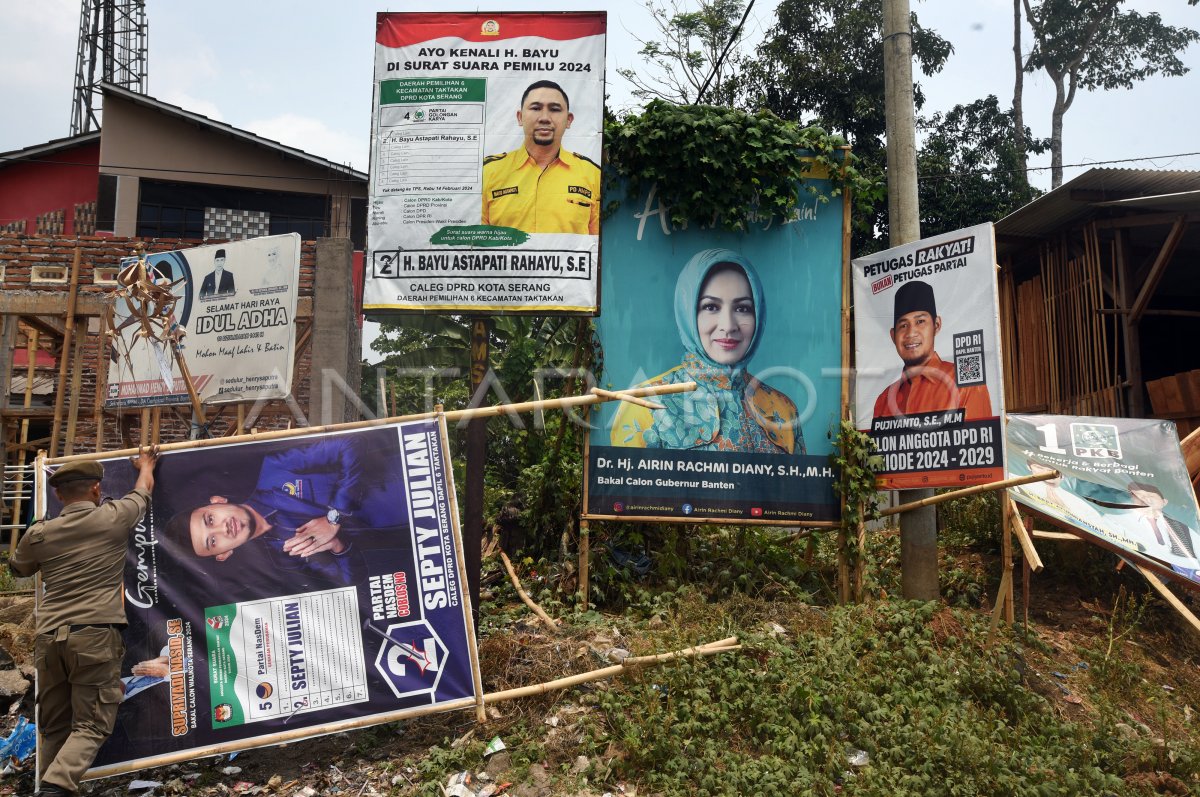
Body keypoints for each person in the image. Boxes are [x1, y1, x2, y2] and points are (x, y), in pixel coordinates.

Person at [10, 448, 158, 797]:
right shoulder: (113, 516)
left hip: (48, 639)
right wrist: (146, 465)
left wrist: (39, 533)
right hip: (94, 635)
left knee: (55, 724)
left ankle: (51, 788)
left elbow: (18, 569)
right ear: (95, 489)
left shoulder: (40, 534)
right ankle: (56, 787)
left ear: (58, 496)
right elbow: (143, 492)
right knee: (92, 723)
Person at [611, 248, 802, 454]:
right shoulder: (644, 406)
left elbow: (797, 487)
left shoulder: (783, 409)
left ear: (758, 315)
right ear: (687, 313)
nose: (728, 326)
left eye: (742, 308)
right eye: (711, 307)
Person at [156, 435, 406, 587]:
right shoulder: (282, 556)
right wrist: (336, 545)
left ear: (218, 500)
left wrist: (334, 518)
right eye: (212, 541)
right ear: (223, 554)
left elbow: (349, 444)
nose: (223, 528)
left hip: (411, 478)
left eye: (210, 519)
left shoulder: (274, 470)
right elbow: (351, 579)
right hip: (416, 534)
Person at [481, 80, 600, 235]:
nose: (544, 117)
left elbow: (596, 245)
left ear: (569, 120)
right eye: (536, 108)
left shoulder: (593, 175)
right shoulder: (488, 172)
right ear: (520, 117)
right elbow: (474, 244)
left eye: (555, 109)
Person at [872, 280, 993, 420]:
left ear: (936, 325)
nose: (911, 333)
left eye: (920, 322)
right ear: (893, 336)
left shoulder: (967, 382)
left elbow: (980, 438)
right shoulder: (884, 400)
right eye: (903, 325)